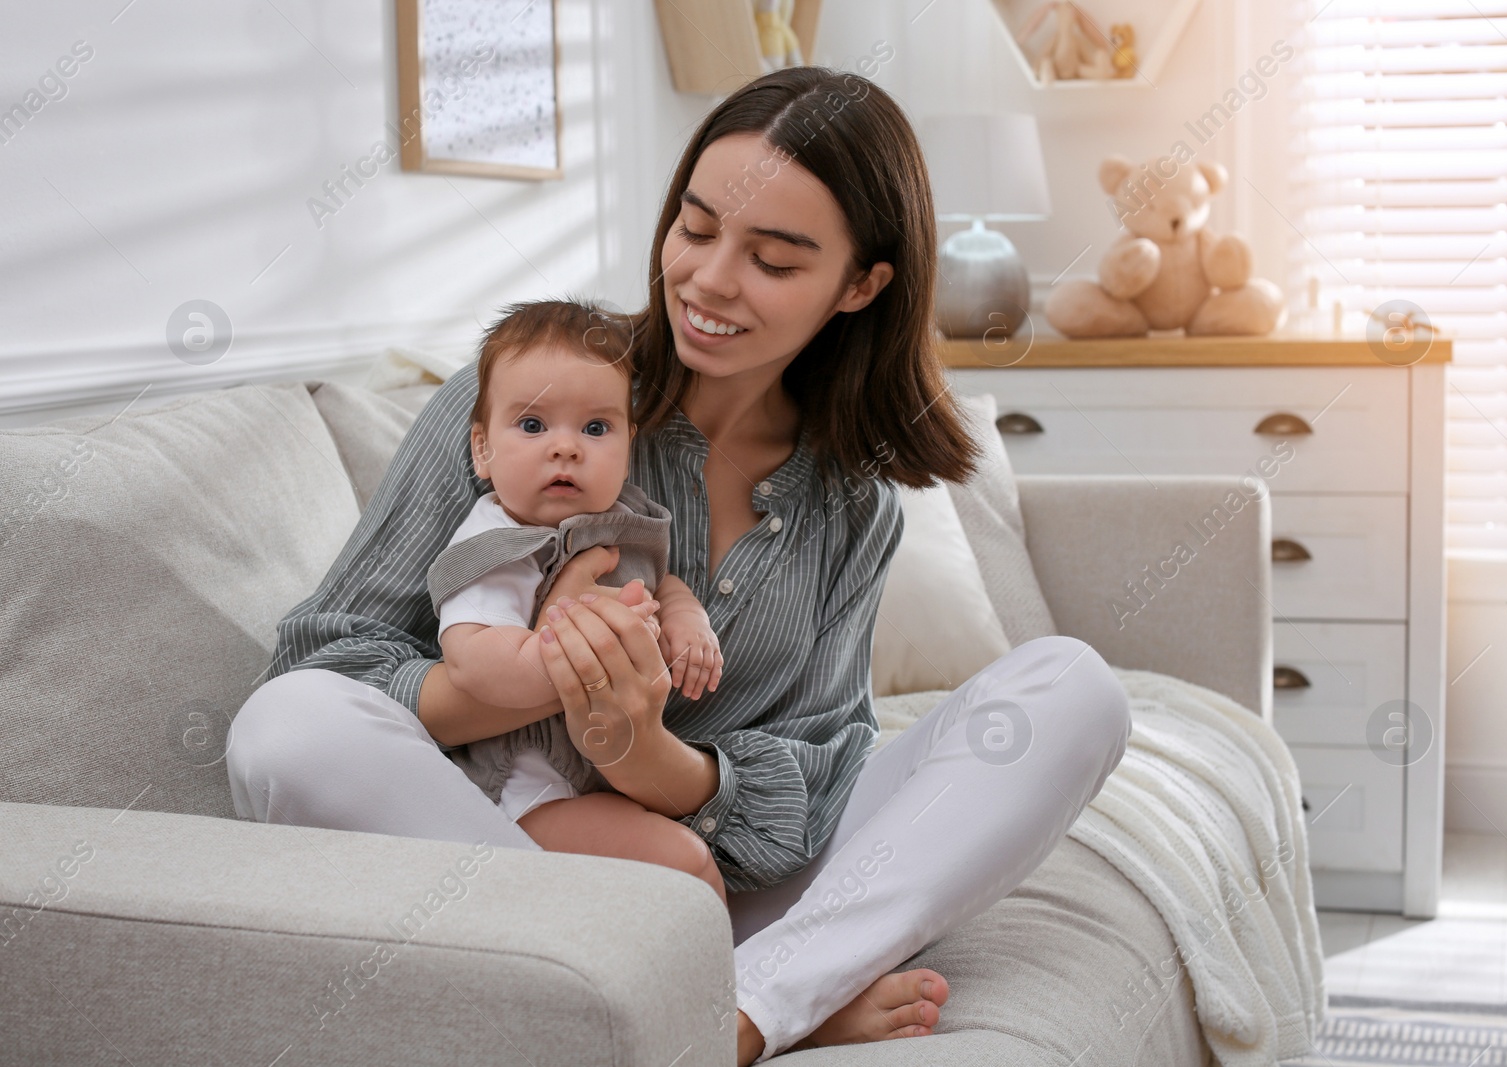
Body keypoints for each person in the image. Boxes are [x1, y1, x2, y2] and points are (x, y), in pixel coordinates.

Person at [226, 67, 1131, 1066]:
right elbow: (328, 655)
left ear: (860, 284)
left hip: (731, 877)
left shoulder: (853, 504)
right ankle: (743, 996)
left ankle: (730, 1012)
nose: (707, 279)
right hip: (510, 851)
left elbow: (817, 783)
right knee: (286, 723)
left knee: (1072, 691)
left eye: (773, 260)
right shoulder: (532, 405)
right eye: (695, 229)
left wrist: (646, 755)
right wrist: (528, 687)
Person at [427, 297, 728, 904]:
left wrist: (686, 617)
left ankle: (718, 984)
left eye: (596, 428)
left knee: (684, 867)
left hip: (605, 776)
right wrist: (583, 642)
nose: (566, 448)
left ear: (627, 444)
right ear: (482, 450)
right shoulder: (497, 542)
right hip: (527, 793)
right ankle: (733, 989)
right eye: (533, 426)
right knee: (685, 865)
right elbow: (473, 661)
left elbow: (660, 579)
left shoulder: (623, 521)